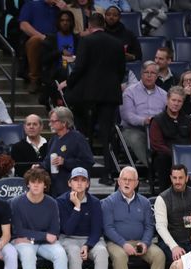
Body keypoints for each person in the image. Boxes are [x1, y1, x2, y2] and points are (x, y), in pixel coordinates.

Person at [61, 12, 124, 183]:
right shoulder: (117, 43)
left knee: (86, 134)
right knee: (107, 135)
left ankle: (85, 172)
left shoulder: (86, 41)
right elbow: (121, 71)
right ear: (103, 25)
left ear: (89, 26)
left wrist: (68, 83)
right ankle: (108, 175)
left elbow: (79, 67)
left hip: (90, 95)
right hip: (110, 95)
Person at [101, 166, 165, 269]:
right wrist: (123, 244)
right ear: (118, 181)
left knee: (159, 255)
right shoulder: (109, 202)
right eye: (124, 179)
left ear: (136, 183)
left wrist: (145, 242)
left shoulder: (144, 202)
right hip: (116, 242)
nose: (127, 182)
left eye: (131, 180)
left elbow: (149, 227)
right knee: (120, 256)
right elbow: (108, 228)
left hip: (140, 241)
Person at [12, 168, 73, 269]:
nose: (36, 185)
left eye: (40, 182)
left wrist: (36, 236)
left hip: (42, 243)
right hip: (26, 243)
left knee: (60, 254)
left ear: (45, 185)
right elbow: (18, 231)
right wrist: (43, 236)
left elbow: (54, 232)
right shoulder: (17, 202)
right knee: (27, 254)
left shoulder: (52, 203)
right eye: (33, 182)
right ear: (28, 184)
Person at [57, 167, 110, 269]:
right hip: (69, 239)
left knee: (102, 251)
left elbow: (97, 228)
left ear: (87, 184)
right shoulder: (61, 201)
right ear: (69, 183)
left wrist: (88, 245)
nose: (79, 183)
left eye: (83, 180)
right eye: (76, 180)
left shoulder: (95, 202)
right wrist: (77, 207)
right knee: (74, 251)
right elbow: (67, 229)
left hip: (90, 240)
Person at [154, 164, 191, 264]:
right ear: (171, 178)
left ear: (187, 178)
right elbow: (161, 227)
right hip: (171, 242)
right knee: (185, 263)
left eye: (180, 178)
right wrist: (174, 247)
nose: (177, 181)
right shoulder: (162, 198)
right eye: (174, 178)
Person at [150, 86, 191, 190]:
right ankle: (164, 194)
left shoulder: (188, 120)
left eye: (179, 101)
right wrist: (176, 155)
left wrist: (185, 154)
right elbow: (157, 145)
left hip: (186, 156)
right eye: (173, 100)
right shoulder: (157, 120)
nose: (176, 104)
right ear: (167, 100)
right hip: (167, 157)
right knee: (162, 158)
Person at [120, 61, 168, 168]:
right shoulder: (129, 92)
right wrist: (145, 120)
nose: (149, 76)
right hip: (133, 130)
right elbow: (128, 116)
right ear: (141, 73)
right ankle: (154, 170)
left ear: (157, 76)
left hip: (156, 130)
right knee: (137, 139)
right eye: (147, 72)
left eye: (153, 73)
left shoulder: (164, 95)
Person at [41, 106, 95, 195]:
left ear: (64, 123)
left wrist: (65, 162)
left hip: (71, 190)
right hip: (54, 189)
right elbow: (47, 162)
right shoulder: (53, 139)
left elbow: (88, 162)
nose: (50, 124)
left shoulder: (77, 138)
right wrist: (39, 166)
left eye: (53, 121)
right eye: (50, 121)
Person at [18, 0, 68, 93]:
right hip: (39, 39)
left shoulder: (60, 7)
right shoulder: (32, 4)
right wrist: (41, 37)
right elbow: (23, 25)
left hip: (57, 40)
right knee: (35, 40)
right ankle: (34, 80)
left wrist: (65, 11)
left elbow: (69, 26)